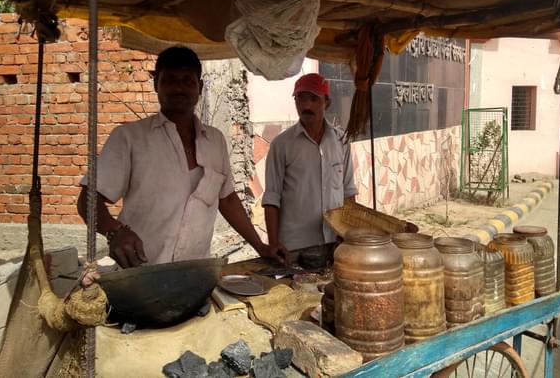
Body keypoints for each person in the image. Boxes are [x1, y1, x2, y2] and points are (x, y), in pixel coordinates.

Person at [77, 46, 283, 268]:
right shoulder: (129, 137)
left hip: (195, 275)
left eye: (188, 81)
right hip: (140, 275)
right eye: (170, 80)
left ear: (200, 87)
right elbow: (87, 200)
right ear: (156, 84)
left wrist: (260, 246)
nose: (179, 88)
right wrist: (115, 231)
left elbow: (227, 199)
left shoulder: (215, 141)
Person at [262, 73, 358, 252]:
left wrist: (348, 233)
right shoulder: (281, 145)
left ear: (327, 103)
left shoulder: (341, 141)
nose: (306, 105)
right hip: (295, 247)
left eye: (314, 99)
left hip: (334, 242)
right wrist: (274, 244)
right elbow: (271, 198)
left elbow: (348, 193)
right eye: (300, 99)